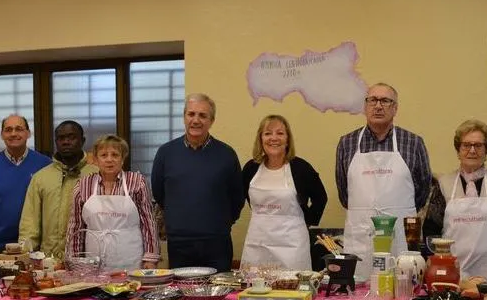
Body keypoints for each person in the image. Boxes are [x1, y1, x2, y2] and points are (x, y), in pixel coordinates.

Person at [335, 83, 432, 280]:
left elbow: (422, 191)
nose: (378, 106)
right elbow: (344, 193)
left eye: (385, 101)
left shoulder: (413, 143)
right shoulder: (347, 143)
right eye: (373, 100)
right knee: (359, 291)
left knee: (401, 289)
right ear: (365, 106)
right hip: (360, 237)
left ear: (395, 108)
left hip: (401, 241)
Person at [423, 119, 487, 282]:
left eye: (478, 145)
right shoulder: (444, 184)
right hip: (453, 271)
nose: (472, 150)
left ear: (486, 151)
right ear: (458, 150)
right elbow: (431, 231)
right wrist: (433, 261)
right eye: (466, 145)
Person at [151, 93, 243, 272]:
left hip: (217, 242)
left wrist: (218, 224)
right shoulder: (166, 153)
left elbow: (237, 197)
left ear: (212, 120)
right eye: (191, 114)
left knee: (219, 295)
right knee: (182, 296)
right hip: (179, 243)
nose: (196, 120)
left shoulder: (226, 155)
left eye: (203, 115)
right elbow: (159, 194)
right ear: (184, 117)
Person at [240, 115, 328, 271]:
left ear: (288, 139)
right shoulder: (251, 168)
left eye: (280, 133)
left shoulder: (301, 168)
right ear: (261, 139)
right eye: (267, 133)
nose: (274, 138)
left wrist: (307, 221)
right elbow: (241, 196)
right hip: (258, 245)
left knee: (292, 291)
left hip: (292, 246)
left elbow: (321, 198)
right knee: (256, 290)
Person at [65, 134, 161, 271]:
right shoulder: (83, 185)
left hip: (131, 258)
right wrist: (73, 261)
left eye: (115, 155)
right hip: (93, 259)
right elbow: (75, 227)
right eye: (104, 155)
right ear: (95, 160)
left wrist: (151, 257)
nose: (109, 160)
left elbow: (148, 222)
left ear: (123, 159)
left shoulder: (136, 182)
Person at [0, 114, 50, 258]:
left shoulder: (45, 165)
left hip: (35, 247)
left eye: (19, 129)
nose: (13, 133)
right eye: (8, 130)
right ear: (2, 135)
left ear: (28, 133)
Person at [18, 121, 97, 259]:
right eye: (61, 138)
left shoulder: (96, 176)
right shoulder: (41, 177)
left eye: (71, 137)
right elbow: (29, 224)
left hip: (87, 259)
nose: (66, 142)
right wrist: (26, 256)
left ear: (82, 140)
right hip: (49, 260)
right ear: (56, 142)